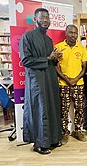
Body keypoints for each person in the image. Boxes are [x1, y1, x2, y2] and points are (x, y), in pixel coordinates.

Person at [19, 8, 62, 154]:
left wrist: (55, 58)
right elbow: (26, 60)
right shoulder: (27, 37)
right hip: (36, 80)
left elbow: (51, 60)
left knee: (51, 106)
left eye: (47, 18)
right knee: (40, 108)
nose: (45, 20)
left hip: (50, 78)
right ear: (34, 19)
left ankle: (52, 138)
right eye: (42, 18)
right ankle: (39, 143)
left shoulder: (49, 39)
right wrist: (47, 58)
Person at [56, 24, 87, 143]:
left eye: (75, 33)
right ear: (66, 33)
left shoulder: (82, 49)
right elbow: (55, 67)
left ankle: (78, 131)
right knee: (63, 110)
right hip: (64, 84)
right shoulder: (58, 47)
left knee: (79, 109)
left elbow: (84, 68)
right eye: (70, 32)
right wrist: (66, 79)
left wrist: (74, 80)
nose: (73, 35)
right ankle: (64, 132)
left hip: (78, 84)